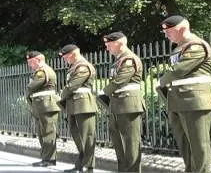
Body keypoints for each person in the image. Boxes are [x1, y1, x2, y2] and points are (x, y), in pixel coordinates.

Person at [157, 15, 211, 172]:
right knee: (185, 146)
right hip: (177, 101)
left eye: (169, 31)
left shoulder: (196, 46)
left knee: (198, 145)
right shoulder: (179, 48)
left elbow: (179, 70)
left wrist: (162, 80)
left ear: (182, 29)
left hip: (194, 101)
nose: (167, 35)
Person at [102, 32, 146, 172]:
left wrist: (105, 91)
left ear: (119, 43)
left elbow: (119, 81)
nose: (107, 48)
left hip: (129, 106)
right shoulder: (118, 61)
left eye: (109, 45)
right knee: (119, 145)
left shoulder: (129, 59)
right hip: (117, 106)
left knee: (131, 145)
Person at [58, 44, 98, 173]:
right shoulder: (74, 67)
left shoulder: (82, 66)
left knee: (87, 136)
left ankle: (89, 166)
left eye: (65, 57)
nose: (65, 59)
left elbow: (72, 86)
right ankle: (81, 162)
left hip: (83, 104)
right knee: (77, 135)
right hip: (73, 104)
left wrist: (61, 96)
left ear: (73, 54)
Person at [25, 51, 61, 167]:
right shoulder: (39, 71)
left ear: (38, 59)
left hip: (46, 104)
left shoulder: (42, 71)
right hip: (41, 105)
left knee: (48, 132)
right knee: (42, 132)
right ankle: (46, 157)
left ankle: (50, 159)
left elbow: (31, 86)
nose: (30, 65)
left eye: (31, 62)